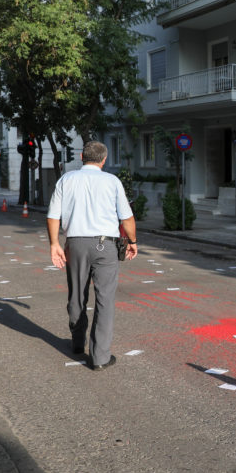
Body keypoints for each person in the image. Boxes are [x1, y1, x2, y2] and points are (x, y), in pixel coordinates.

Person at [47, 141, 138, 370]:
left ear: (81, 156)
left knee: (77, 294)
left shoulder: (66, 180)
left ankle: (77, 343)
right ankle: (100, 357)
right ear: (104, 159)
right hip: (105, 245)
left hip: (75, 243)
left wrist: (54, 243)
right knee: (104, 299)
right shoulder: (112, 181)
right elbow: (126, 218)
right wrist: (133, 241)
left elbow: (53, 216)